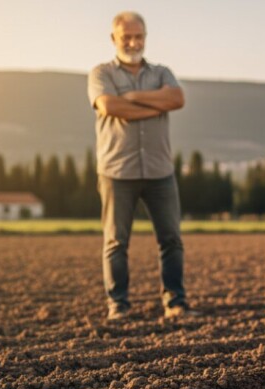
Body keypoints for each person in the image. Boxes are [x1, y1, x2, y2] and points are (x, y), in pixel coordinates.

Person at [88, 11, 197, 320]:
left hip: (160, 170)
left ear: (145, 37)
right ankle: (118, 306)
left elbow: (176, 99)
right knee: (116, 242)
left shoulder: (163, 72)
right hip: (116, 171)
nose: (134, 42)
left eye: (139, 37)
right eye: (127, 37)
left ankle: (175, 302)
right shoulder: (100, 74)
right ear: (114, 38)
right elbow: (109, 105)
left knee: (171, 240)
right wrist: (154, 102)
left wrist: (133, 97)